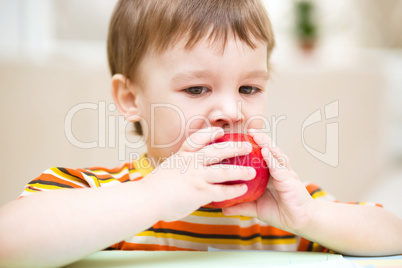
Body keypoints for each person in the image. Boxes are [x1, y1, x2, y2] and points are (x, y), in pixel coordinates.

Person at [1, 0, 401, 267]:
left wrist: (311, 217)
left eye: (249, 89)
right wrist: (153, 195)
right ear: (129, 98)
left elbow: (393, 235)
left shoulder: (282, 211)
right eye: (196, 89)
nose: (231, 110)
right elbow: (10, 241)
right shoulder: (97, 195)